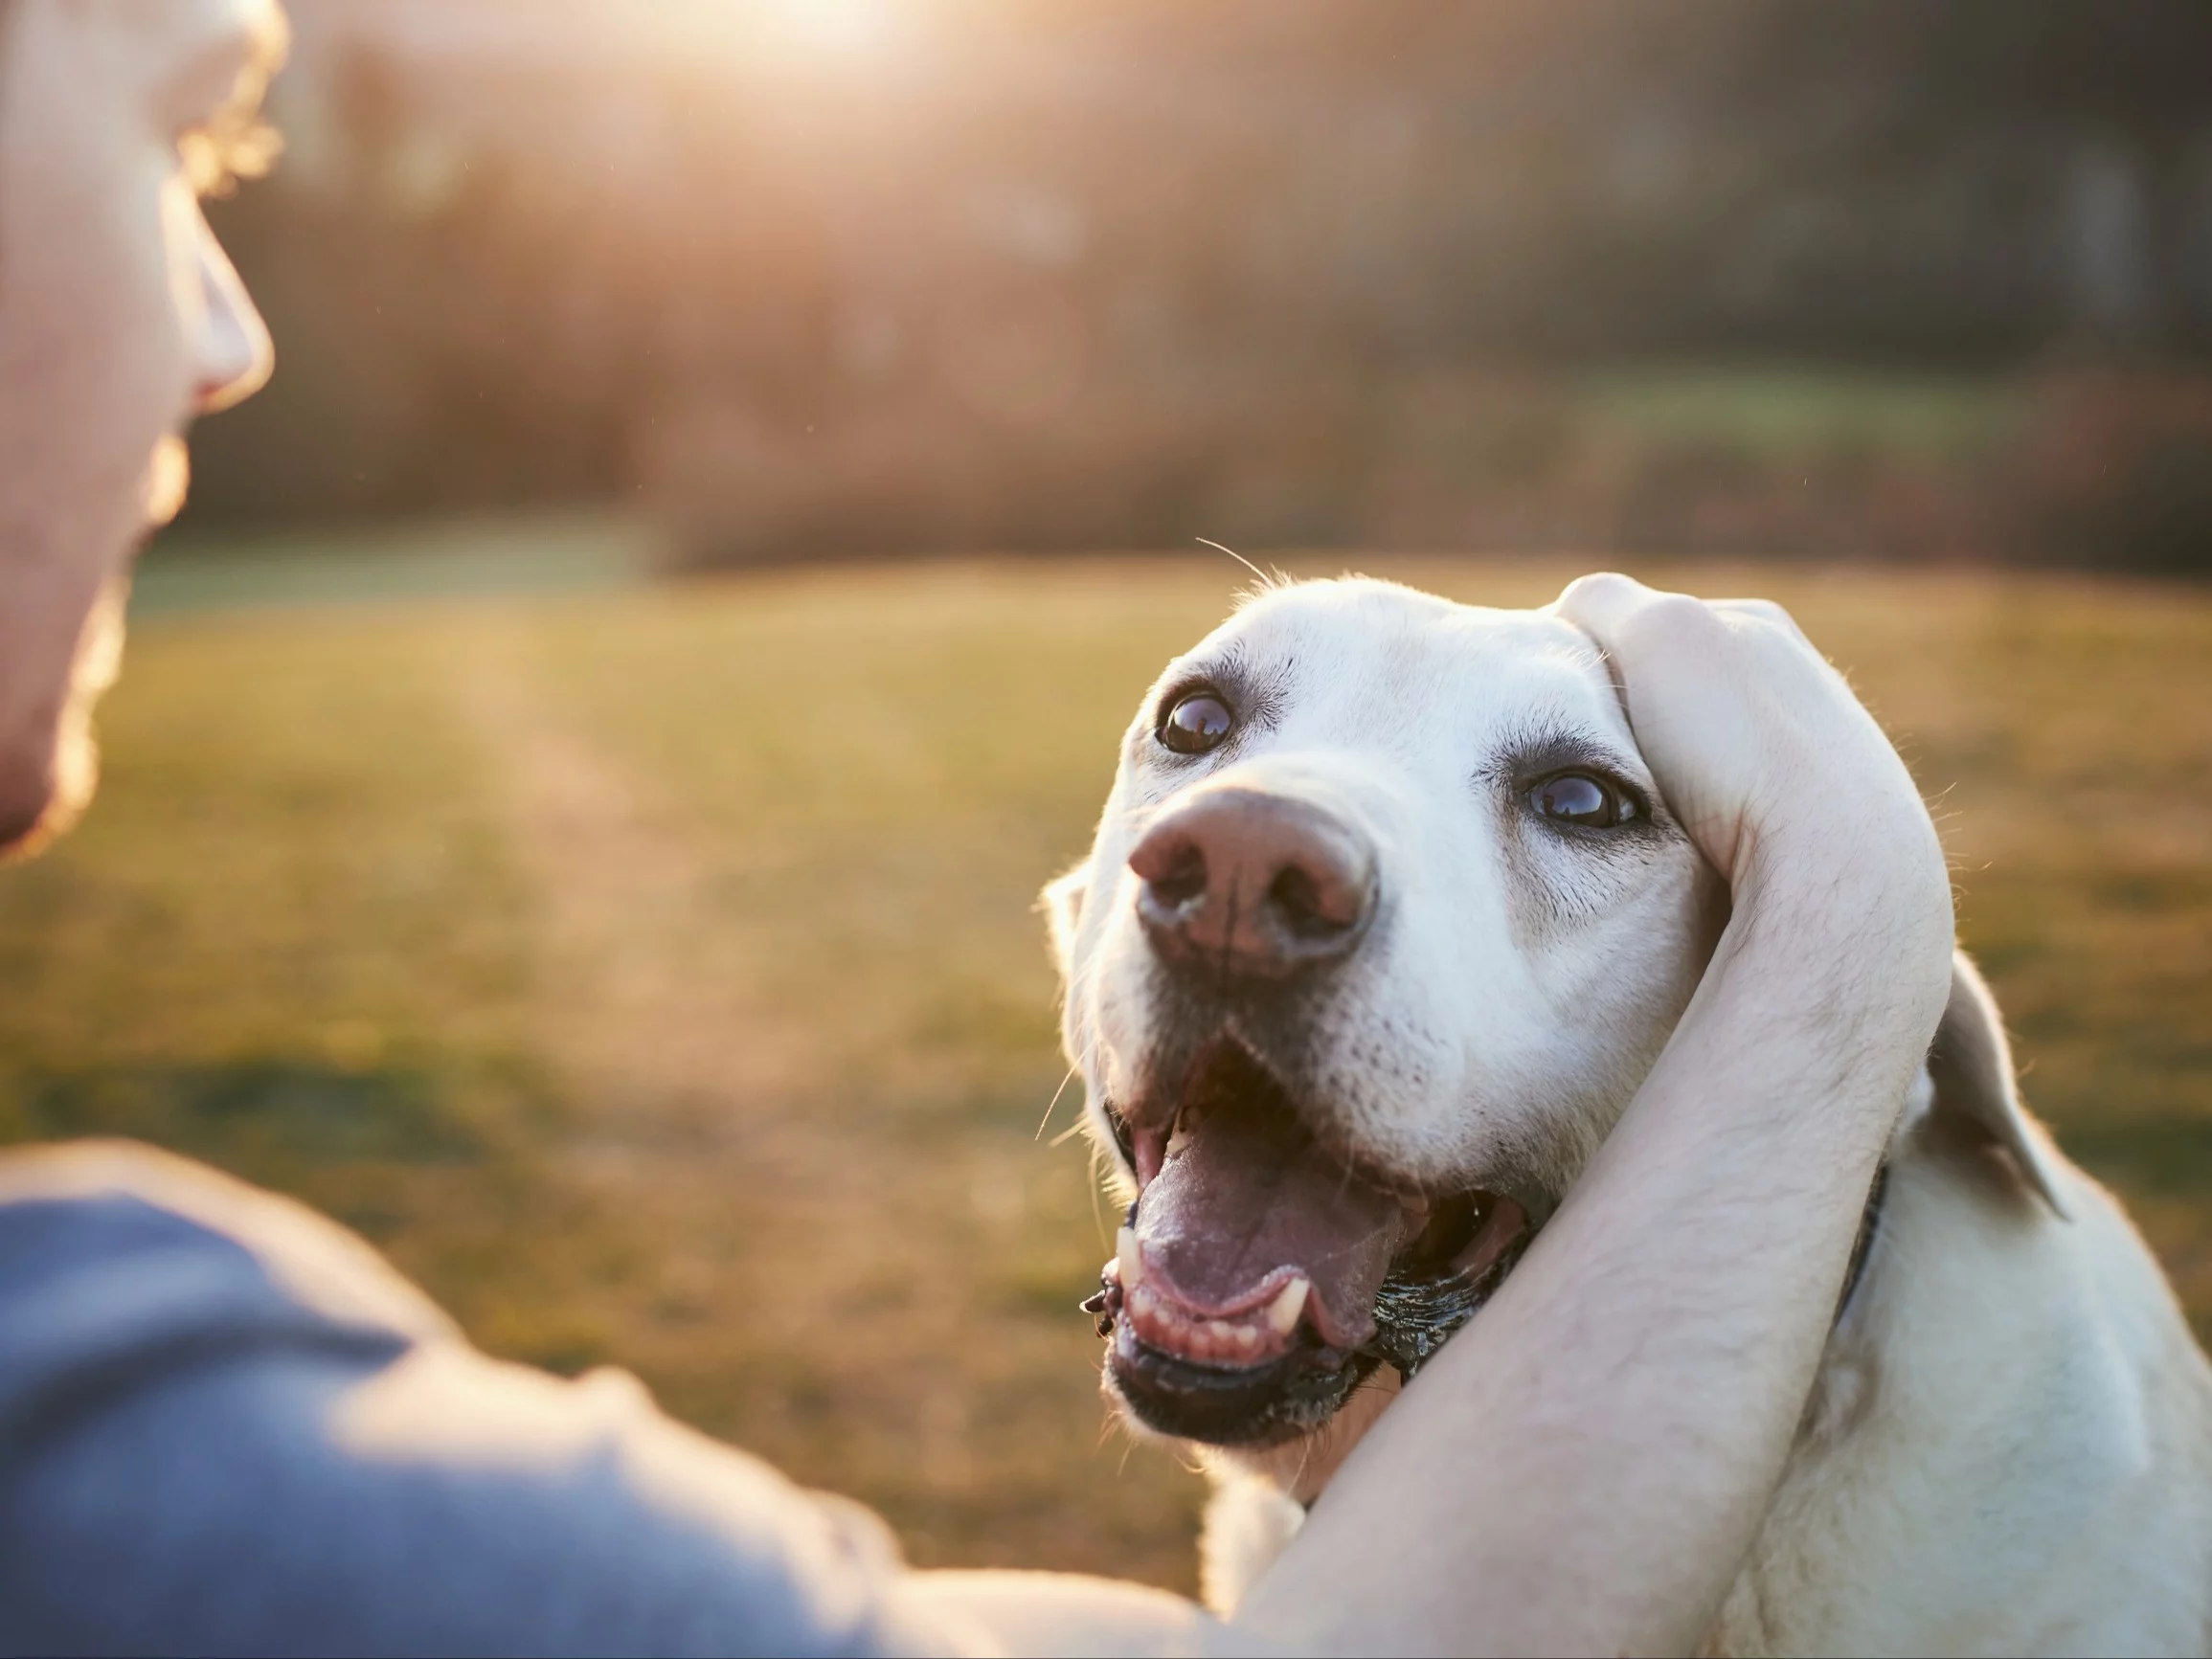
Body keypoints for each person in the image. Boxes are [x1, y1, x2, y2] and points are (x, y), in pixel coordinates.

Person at [0, 3, 1957, 1653]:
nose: (230, 328)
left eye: (1577, 801)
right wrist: (1853, 912)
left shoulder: (106, 1398)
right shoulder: (115, 1451)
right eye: (194, 135)